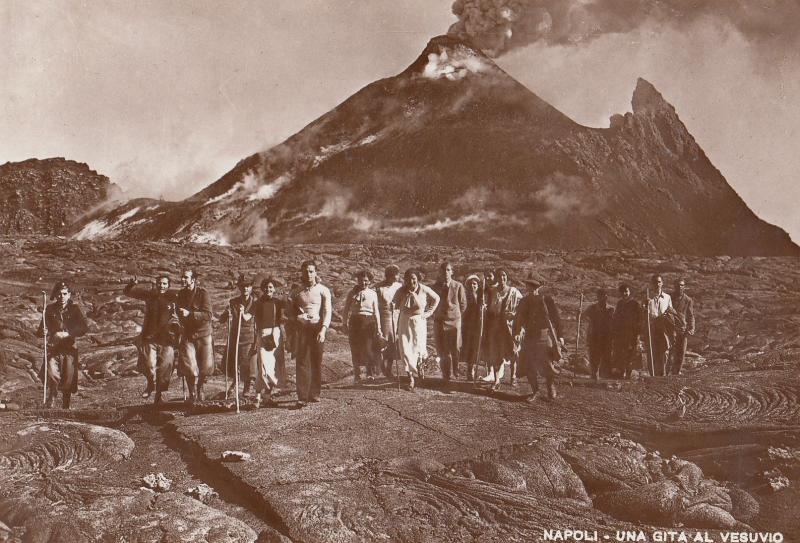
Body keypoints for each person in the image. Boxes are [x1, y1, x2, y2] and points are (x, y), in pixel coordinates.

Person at [123, 275, 179, 405]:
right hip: (149, 337)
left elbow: (189, 300)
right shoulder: (149, 295)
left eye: (165, 284)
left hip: (167, 339)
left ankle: (159, 395)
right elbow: (128, 292)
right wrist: (132, 284)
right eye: (159, 283)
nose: (162, 286)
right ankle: (150, 384)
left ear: (169, 285)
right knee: (148, 366)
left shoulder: (174, 297)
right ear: (156, 284)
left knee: (166, 367)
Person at [36, 280, 89, 409]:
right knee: (51, 373)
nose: (62, 297)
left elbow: (83, 328)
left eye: (65, 294)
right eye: (59, 294)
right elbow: (39, 331)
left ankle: (66, 405)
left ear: (69, 294)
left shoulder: (75, 309)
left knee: (68, 378)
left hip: (69, 348)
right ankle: (52, 395)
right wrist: (44, 331)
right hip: (53, 348)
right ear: (55, 295)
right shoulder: (49, 309)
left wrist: (69, 333)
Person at [513, 273, 565, 401]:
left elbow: (556, 319)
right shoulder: (524, 301)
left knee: (548, 364)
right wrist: (517, 332)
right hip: (530, 336)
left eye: (534, 285)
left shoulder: (546, 300)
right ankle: (535, 391)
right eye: (529, 285)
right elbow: (518, 319)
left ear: (539, 286)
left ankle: (550, 386)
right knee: (529, 365)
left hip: (544, 335)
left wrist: (560, 336)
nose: (532, 288)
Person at [290, 260, 332, 408]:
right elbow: (291, 311)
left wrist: (323, 330)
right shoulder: (296, 291)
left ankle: (314, 393)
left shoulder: (323, 290)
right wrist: (297, 317)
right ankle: (302, 396)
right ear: (301, 272)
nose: (308, 274)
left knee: (316, 360)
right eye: (305, 271)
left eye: (311, 271)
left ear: (316, 272)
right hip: (302, 330)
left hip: (317, 329)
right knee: (302, 361)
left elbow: (327, 311)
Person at [392, 269, 440, 391]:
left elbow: (436, 298)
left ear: (418, 278)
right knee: (405, 349)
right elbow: (394, 304)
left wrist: (429, 313)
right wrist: (392, 306)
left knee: (418, 348)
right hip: (404, 322)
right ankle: (411, 378)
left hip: (419, 322)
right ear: (405, 280)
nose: (411, 281)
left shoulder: (423, 289)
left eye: (413, 278)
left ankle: (420, 365)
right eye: (408, 278)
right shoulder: (401, 290)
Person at [176, 269, 214, 403]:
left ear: (193, 280)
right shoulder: (180, 294)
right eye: (182, 277)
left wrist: (190, 314)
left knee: (205, 366)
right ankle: (192, 392)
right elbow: (178, 312)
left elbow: (208, 315)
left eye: (185, 277)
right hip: (187, 334)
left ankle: (200, 388)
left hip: (204, 334)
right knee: (189, 366)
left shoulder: (203, 294)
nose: (182, 279)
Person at [484, 268, 522, 390]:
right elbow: (489, 309)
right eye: (499, 276)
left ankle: (513, 377)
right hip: (496, 327)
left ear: (507, 277)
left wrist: (514, 315)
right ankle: (496, 380)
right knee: (496, 352)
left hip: (510, 326)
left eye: (504, 276)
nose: (502, 279)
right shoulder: (493, 292)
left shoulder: (514, 292)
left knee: (513, 351)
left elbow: (522, 308)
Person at [342, 270, 383, 382]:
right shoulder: (352, 293)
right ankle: (357, 374)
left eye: (366, 281)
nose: (363, 283)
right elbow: (346, 310)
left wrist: (379, 328)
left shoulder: (373, 294)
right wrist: (344, 324)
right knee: (355, 348)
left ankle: (369, 373)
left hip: (368, 322)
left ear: (369, 281)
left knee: (368, 348)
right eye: (360, 280)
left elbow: (376, 312)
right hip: (355, 322)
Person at [221, 275, 257, 397]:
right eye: (243, 286)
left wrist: (243, 313)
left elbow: (251, 318)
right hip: (235, 336)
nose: (245, 288)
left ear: (251, 287)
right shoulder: (233, 302)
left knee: (246, 361)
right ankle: (234, 383)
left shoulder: (255, 303)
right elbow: (222, 319)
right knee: (233, 361)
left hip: (249, 337)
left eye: (247, 286)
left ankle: (248, 386)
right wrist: (227, 313)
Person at [252, 277, 285, 406]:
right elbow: (249, 316)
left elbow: (291, 305)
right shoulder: (258, 303)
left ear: (274, 289)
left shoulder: (278, 302)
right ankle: (258, 395)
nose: (268, 289)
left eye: (271, 287)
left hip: (275, 334)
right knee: (264, 367)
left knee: (274, 367)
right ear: (262, 289)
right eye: (266, 287)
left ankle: (265, 397)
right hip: (262, 335)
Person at [432, 261, 467, 384]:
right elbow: (431, 302)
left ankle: (456, 369)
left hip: (454, 321)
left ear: (452, 272)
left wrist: (455, 316)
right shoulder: (436, 287)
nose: (445, 273)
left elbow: (463, 304)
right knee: (443, 349)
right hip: (440, 321)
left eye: (448, 270)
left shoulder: (458, 286)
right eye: (443, 270)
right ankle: (446, 374)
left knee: (455, 348)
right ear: (440, 272)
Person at [375, 265, 403, 378]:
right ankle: (382, 367)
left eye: (397, 275)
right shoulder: (378, 287)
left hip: (396, 317)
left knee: (393, 344)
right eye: (394, 276)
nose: (396, 277)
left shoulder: (399, 286)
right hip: (384, 318)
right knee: (383, 343)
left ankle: (389, 369)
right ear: (388, 276)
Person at [645, 274, 674, 377]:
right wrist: (645, 304)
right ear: (652, 284)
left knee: (664, 351)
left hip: (663, 328)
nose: (657, 284)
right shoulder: (647, 298)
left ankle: (663, 374)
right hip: (651, 328)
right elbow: (643, 313)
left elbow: (670, 313)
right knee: (652, 352)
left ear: (662, 283)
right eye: (655, 282)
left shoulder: (667, 297)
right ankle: (653, 375)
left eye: (659, 282)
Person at [611, 283, 642, 379]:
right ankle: (622, 371)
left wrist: (637, 333)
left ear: (629, 292)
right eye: (622, 292)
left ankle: (628, 373)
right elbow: (616, 317)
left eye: (626, 292)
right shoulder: (620, 304)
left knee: (631, 352)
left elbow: (640, 319)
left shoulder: (635, 304)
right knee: (621, 352)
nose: (625, 294)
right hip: (621, 333)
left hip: (631, 333)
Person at [584, 288, 614, 380]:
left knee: (606, 356)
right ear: (597, 297)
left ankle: (605, 376)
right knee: (594, 356)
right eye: (599, 296)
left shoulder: (611, 309)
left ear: (606, 297)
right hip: (594, 336)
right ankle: (594, 375)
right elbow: (583, 316)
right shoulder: (592, 308)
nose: (602, 298)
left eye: (604, 296)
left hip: (607, 337)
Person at [669, 278, 695, 375]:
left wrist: (691, 327)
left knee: (681, 351)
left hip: (682, 329)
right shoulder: (669, 297)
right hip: (670, 328)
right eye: (677, 285)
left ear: (684, 287)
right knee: (670, 351)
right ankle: (667, 372)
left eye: (681, 285)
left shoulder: (688, 300)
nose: (679, 287)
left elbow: (691, 315)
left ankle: (677, 372)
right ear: (674, 286)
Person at [461, 274, 483, 382]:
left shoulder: (481, 297)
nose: (472, 286)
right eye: (470, 284)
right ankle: (470, 370)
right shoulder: (465, 296)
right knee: (470, 348)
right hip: (468, 326)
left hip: (478, 325)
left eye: (474, 284)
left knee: (477, 347)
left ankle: (477, 370)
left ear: (478, 285)